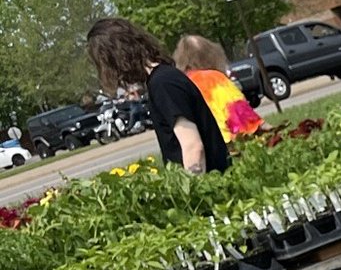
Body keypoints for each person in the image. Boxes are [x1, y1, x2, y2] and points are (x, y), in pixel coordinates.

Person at [86, 18, 230, 174]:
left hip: (210, 183)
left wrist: (192, 193)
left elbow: (193, 146)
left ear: (116, 59)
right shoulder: (164, 78)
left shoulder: (162, 84)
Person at [172, 34, 263, 143]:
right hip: (229, 143)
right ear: (210, 54)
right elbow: (239, 111)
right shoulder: (213, 78)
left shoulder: (179, 85)